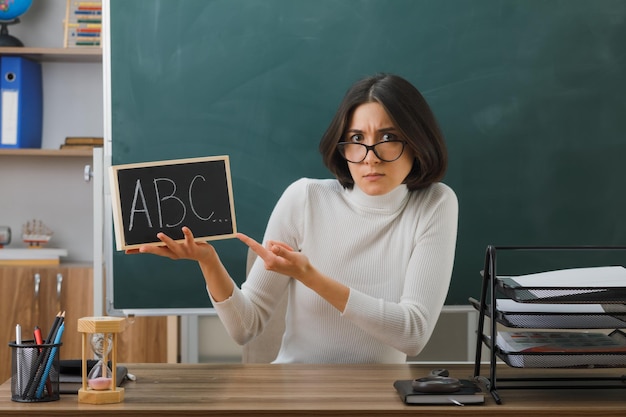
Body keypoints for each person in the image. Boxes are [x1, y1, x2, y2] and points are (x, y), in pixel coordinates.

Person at [134, 73, 458, 363]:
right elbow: (246, 327)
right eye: (357, 139)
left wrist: (311, 277)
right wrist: (208, 261)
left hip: (380, 397)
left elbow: (413, 334)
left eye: (387, 138)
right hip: (296, 392)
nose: (370, 157)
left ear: (417, 142)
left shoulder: (434, 204)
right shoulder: (305, 199)